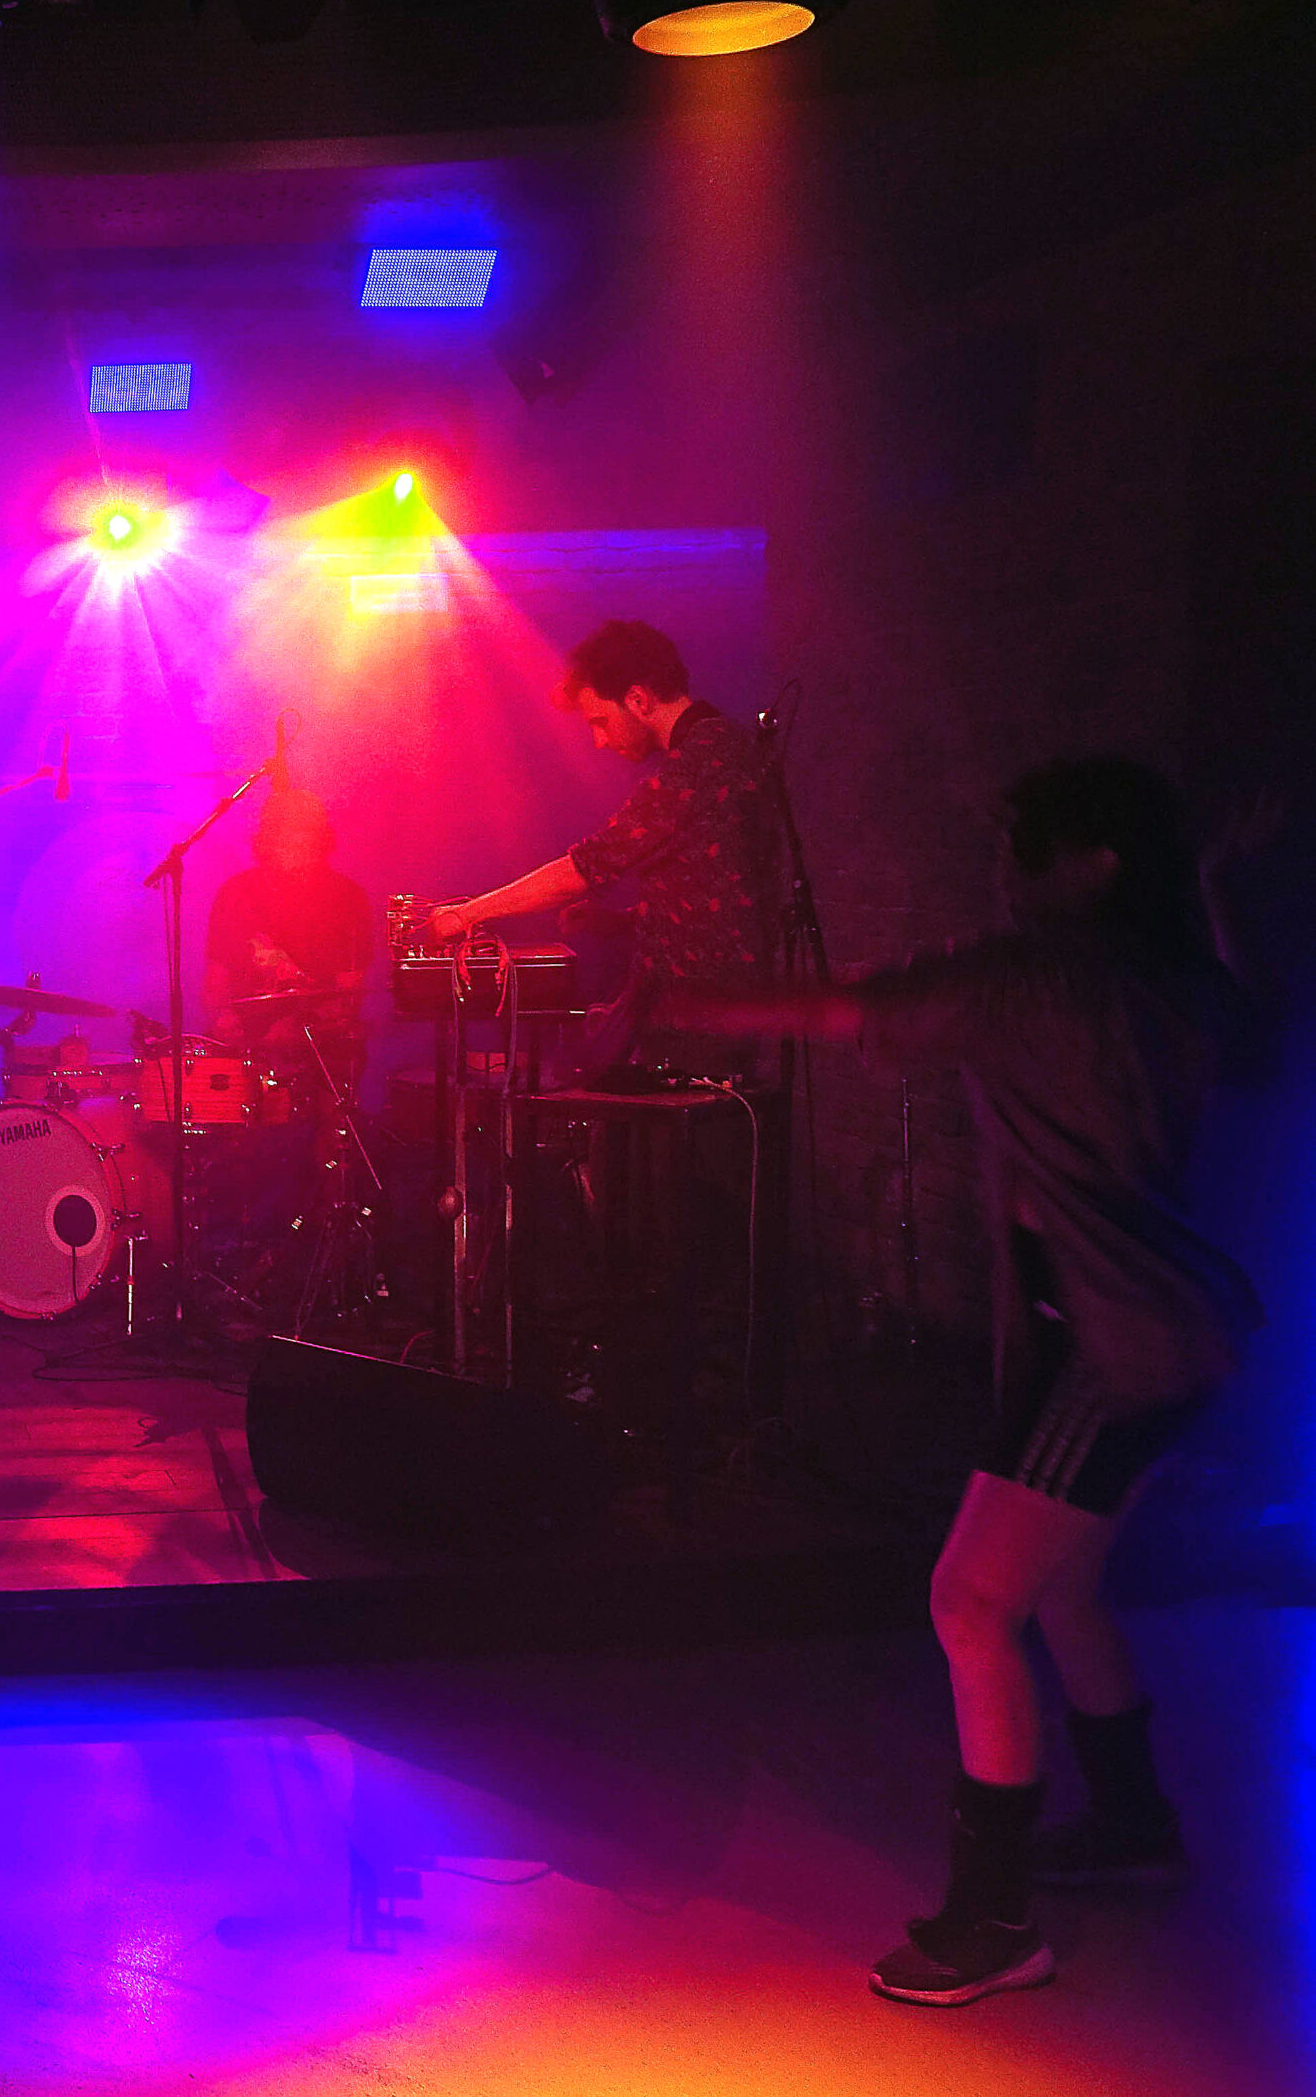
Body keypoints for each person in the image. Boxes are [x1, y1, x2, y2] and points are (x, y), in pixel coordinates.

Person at [671, 755, 1260, 2007]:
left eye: (1021, 847)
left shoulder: (1035, 978)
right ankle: (1136, 1827)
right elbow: (1236, 1011)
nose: (1003, 872)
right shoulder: (1179, 977)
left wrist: (674, 998)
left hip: (1110, 1339)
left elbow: (844, 1008)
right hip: (1162, 1329)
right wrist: (1209, 878)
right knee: (1064, 1586)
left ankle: (991, 1920)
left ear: (1090, 865)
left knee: (971, 1601)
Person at [428, 619, 784, 1082]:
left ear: (638, 700)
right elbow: (724, 891)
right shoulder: (723, 744)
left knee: (568, 1085)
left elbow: (581, 870)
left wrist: (464, 915)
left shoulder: (696, 766)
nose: (598, 741)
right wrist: (618, 921)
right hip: (710, 1012)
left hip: (701, 1020)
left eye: (600, 722)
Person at [205, 785, 370, 1067]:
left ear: (320, 839)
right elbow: (215, 979)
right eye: (277, 831)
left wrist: (298, 1028)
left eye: (298, 832)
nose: (287, 842)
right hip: (247, 1050)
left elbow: (349, 995)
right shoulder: (235, 894)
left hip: (321, 1052)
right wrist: (222, 1017)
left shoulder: (347, 898)